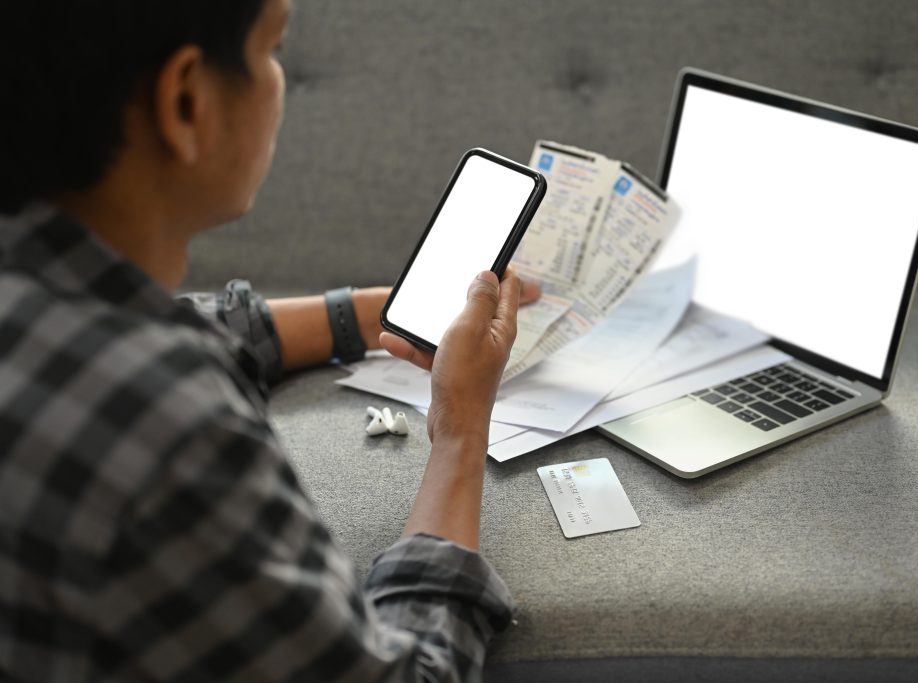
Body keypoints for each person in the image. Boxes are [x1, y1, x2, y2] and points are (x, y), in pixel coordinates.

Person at [0, 1, 540, 680]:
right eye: (271, 50)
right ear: (186, 100)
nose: (279, 79)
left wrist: (374, 316)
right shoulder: (171, 432)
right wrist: (460, 428)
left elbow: (175, 321)